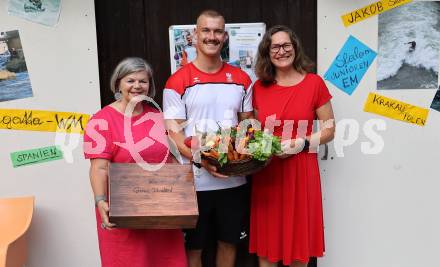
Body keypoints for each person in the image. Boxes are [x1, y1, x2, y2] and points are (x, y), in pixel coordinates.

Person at [163, 10, 253, 267]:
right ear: (195, 35)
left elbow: (248, 128)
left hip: (234, 182)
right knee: (194, 249)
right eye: (206, 30)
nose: (211, 37)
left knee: (229, 243)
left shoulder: (242, 79)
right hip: (193, 184)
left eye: (217, 31)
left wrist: (252, 153)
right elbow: (174, 133)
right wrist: (202, 158)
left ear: (225, 37)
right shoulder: (177, 81)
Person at [83, 57, 187, 267]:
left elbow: (170, 157)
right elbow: (99, 167)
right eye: (130, 80)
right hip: (124, 211)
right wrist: (100, 200)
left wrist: (184, 191)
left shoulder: (157, 116)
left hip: (161, 210)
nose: (137, 86)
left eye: (143, 81)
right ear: (118, 83)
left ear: (150, 86)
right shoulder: (101, 120)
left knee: (167, 261)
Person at [249, 25, 335, 267]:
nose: (281, 51)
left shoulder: (314, 83)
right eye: (275, 46)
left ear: (295, 48)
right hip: (268, 172)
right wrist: (262, 146)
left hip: (301, 172)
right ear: (267, 52)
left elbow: (330, 130)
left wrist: (303, 143)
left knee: (299, 247)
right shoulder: (259, 87)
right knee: (267, 247)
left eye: (287, 45)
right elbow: (255, 132)